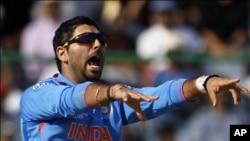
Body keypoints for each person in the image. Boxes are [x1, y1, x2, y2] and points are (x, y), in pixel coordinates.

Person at [20, 15, 250, 141]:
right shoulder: (37, 96)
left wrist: (202, 83)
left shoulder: (114, 99)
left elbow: (160, 95)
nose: (98, 44)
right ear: (62, 53)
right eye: (87, 38)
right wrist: (109, 93)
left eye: (100, 39)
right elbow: (67, 99)